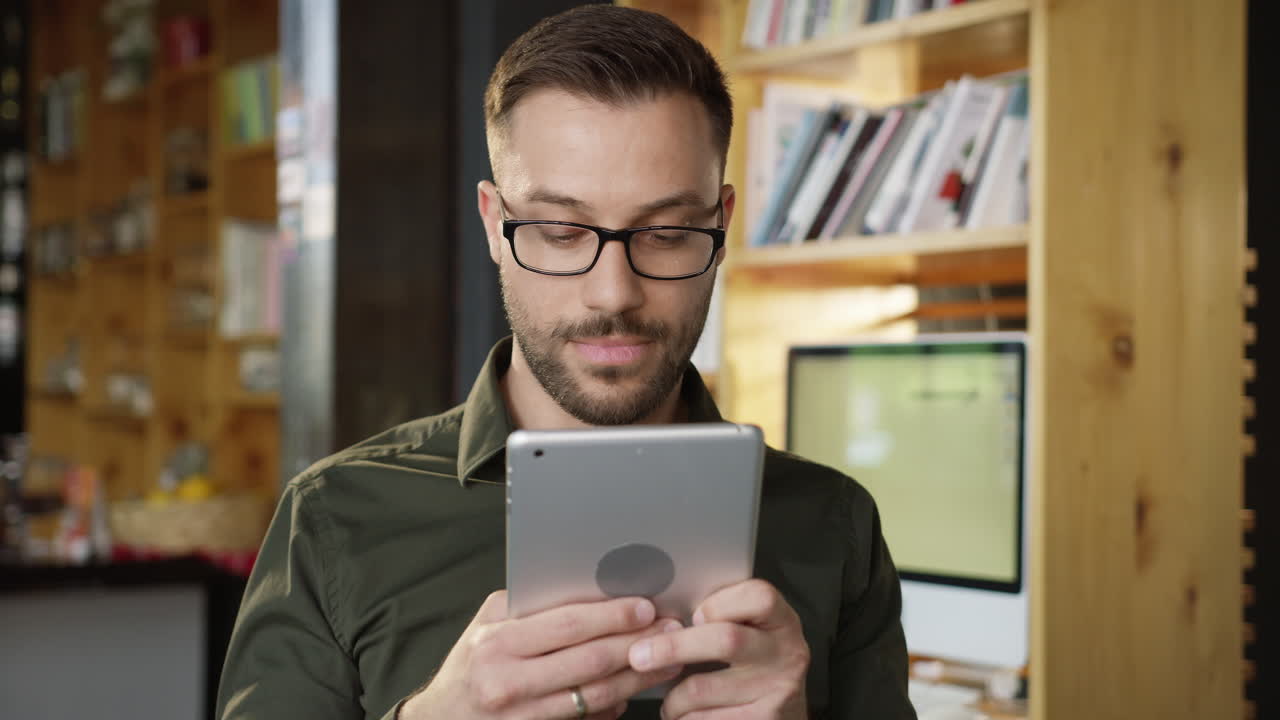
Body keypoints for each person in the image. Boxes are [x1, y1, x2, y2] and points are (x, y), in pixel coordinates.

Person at [216, 6, 912, 719]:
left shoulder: (835, 526)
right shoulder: (335, 516)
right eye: (558, 231)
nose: (614, 293)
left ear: (721, 225)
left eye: (668, 232)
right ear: (495, 224)